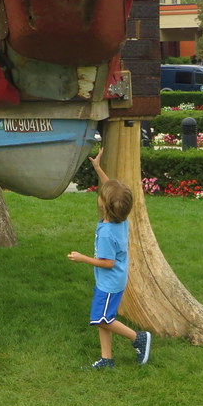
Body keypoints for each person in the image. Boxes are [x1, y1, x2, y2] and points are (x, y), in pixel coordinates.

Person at [67, 149, 151, 369]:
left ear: (104, 205)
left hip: (110, 280)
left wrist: (82, 258)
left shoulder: (106, 233)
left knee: (102, 319)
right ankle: (107, 359)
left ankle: (138, 338)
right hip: (113, 279)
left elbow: (108, 263)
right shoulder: (120, 219)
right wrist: (98, 168)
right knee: (102, 319)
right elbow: (113, 193)